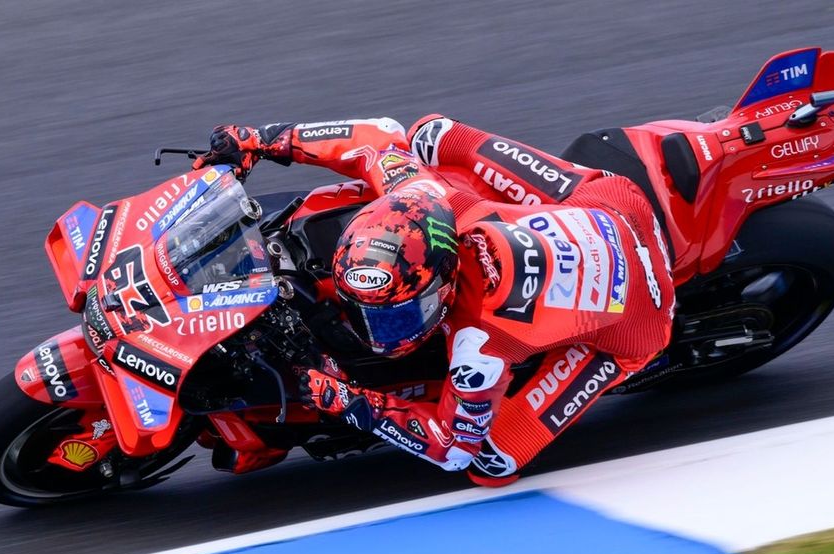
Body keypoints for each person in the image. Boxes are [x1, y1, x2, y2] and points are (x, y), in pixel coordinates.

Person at [194, 116, 675, 485]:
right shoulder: (421, 192)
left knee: (491, 461)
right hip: (608, 200)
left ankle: (622, 358)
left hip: (640, 315)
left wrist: (347, 398)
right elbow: (376, 137)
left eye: (396, 315)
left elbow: (451, 448)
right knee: (433, 134)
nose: (376, 331)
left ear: (442, 287)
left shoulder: (479, 348)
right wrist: (259, 139)